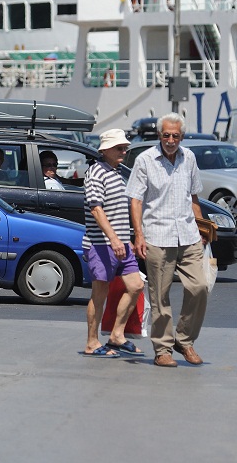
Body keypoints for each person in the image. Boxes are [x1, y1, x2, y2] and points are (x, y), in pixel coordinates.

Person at [127, 113, 208, 368]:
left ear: (182, 136)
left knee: (199, 287)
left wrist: (202, 227)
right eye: (166, 135)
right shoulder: (145, 160)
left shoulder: (189, 158)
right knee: (160, 296)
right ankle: (163, 349)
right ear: (159, 136)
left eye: (175, 136)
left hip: (188, 234)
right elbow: (135, 200)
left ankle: (184, 340)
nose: (171, 140)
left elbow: (193, 197)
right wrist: (139, 235)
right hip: (157, 236)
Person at [82, 129, 145, 358]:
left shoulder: (115, 172)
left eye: (125, 148)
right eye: (119, 148)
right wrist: (114, 238)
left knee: (136, 285)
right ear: (106, 150)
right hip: (101, 244)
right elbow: (96, 209)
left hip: (121, 244)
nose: (124, 151)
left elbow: (117, 210)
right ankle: (91, 342)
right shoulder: (96, 172)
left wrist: (126, 239)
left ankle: (117, 335)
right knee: (100, 293)